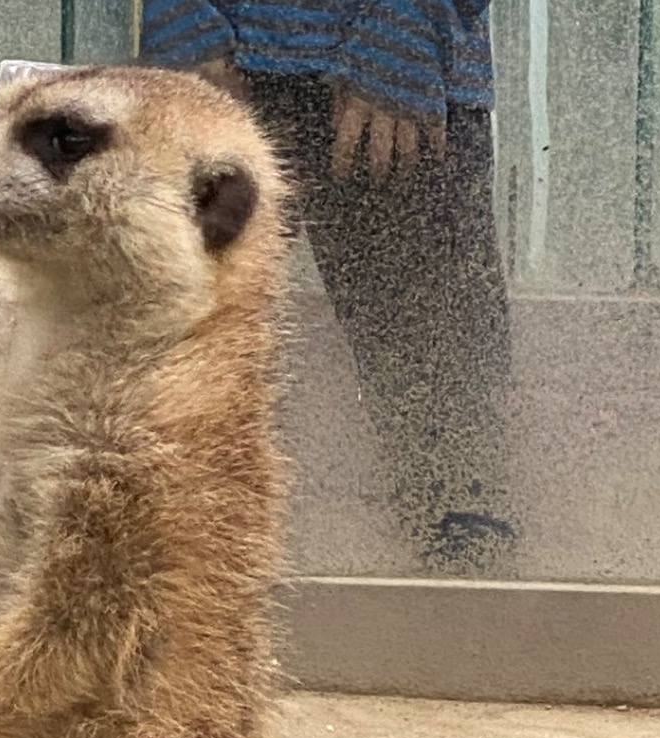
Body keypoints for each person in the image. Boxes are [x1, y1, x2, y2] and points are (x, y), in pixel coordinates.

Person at [140, 0, 515, 575]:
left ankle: (465, 581)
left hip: (404, 60)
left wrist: (416, 17)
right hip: (215, 65)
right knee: (163, 365)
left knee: (454, 464)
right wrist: (176, 15)